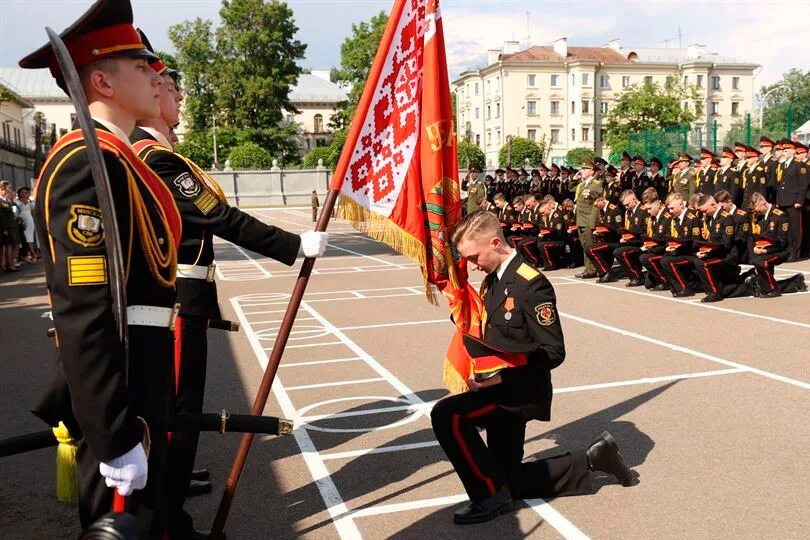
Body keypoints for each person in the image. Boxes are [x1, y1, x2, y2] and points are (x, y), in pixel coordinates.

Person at [129, 32, 329, 540]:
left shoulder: (160, 153)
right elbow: (218, 215)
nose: (177, 98)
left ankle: (170, 490)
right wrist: (294, 245)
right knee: (179, 412)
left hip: (186, 301)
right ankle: (168, 520)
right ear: (153, 99)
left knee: (182, 411)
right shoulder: (156, 158)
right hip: (175, 304)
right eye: (170, 90)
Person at [20, 0, 179, 536]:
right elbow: (83, 309)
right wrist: (113, 434)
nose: (155, 75)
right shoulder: (84, 161)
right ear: (103, 83)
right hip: (120, 373)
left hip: (145, 362)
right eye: (140, 66)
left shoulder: (119, 156)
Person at [431, 210, 632, 525]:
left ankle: (488, 497)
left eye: (474, 256)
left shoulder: (530, 284)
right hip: (498, 386)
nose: (471, 264)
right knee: (508, 479)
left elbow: (553, 351)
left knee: (447, 416)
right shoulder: (492, 281)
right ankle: (593, 459)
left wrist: (500, 374)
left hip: (518, 391)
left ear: (495, 242)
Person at [573, 159, 603, 279]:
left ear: (592, 171)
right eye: (582, 168)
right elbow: (570, 188)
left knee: (590, 246)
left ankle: (593, 269)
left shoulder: (596, 185)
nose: (582, 171)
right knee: (585, 246)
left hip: (588, 220)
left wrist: (592, 224)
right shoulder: (582, 185)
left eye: (585, 169)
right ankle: (588, 268)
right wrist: (574, 179)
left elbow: (596, 205)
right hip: (580, 219)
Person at [0, 181, 22, 271]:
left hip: (13, 225)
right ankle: (10, 264)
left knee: (16, 244)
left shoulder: (8, 201)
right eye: (3, 189)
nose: (6, 191)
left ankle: (12, 262)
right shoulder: (1, 201)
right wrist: (4, 228)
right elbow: (1, 216)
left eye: (7, 189)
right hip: (7, 226)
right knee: (9, 245)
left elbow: (13, 212)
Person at [14, 186, 39, 262]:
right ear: (19, 193)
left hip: (30, 220)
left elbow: (35, 208)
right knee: (25, 238)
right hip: (22, 221)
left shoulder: (30, 202)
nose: (24, 194)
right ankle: (32, 254)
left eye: (26, 192)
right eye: (22, 192)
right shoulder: (16, 201)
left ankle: (30, 254)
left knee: (30, 238)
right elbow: (15, 212)